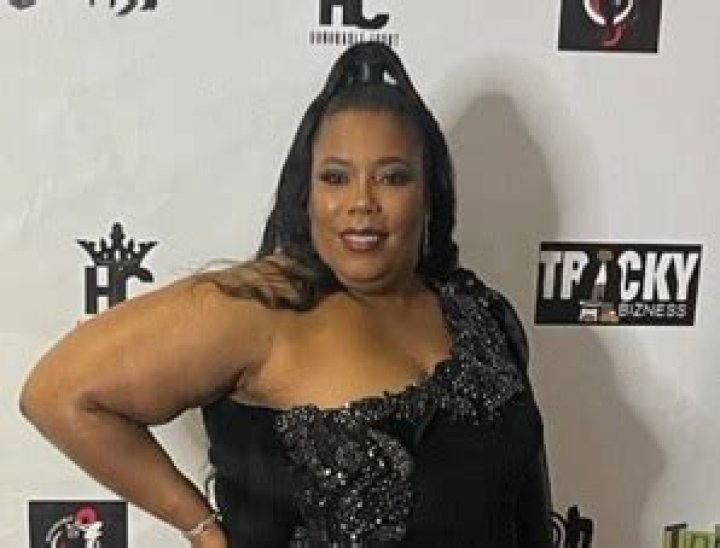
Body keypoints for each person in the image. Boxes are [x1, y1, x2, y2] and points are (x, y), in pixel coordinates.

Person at [20, 42, 552, 547]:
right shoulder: (257, 309)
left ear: (428, 192)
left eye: (392, 177)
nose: (361, 202)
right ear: (307, 193)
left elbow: (527, 509)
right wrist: (200, 526)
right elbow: (58, 394)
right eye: (336, 177)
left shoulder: (480, 314)